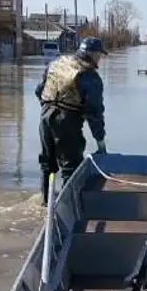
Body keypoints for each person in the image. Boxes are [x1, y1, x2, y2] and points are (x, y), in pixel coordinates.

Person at [35, 37, 108, 205]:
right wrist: (100, 141)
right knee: (71, 166)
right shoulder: (89, 76)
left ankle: (46, 202)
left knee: (48, 163)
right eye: (99, 55)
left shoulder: (57, 63)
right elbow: (94, 112)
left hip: (45, 117)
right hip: (66, 121)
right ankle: (66, 207)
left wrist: (49, 108)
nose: (100, 59)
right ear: (91, 54)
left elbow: (39, 91)